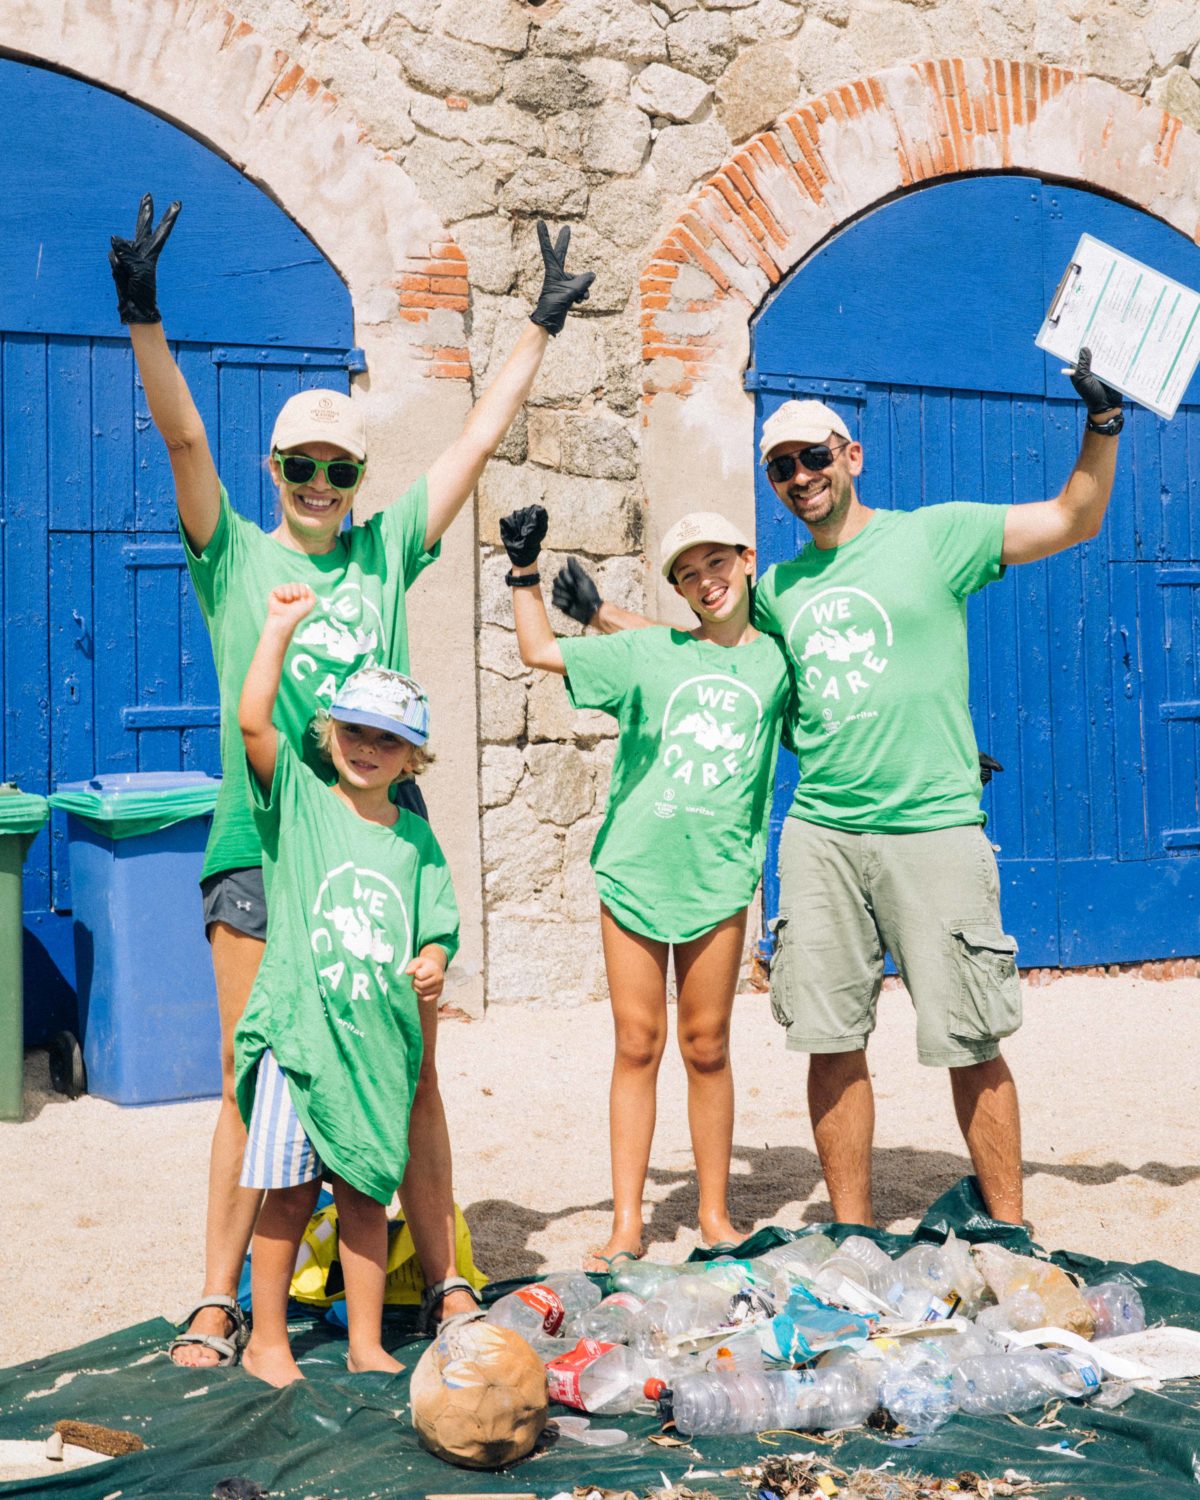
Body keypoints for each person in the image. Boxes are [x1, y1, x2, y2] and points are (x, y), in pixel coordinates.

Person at [109, 196, 594, 1365]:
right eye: (303, 465)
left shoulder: (383, 550)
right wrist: (142, 319)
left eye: (339, 467)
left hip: (382, 837)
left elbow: (474, 445)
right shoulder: (236, 555)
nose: (320, 482)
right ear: (276, 469)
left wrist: (536, 330)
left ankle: (445, 1287)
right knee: (250, 1080)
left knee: (411, 1073)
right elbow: (183, 444)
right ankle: (219, 1303)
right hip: (265, 834)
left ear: (358, 476)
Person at [748, 351, 1122, 1228]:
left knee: (969, 1036)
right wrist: (594, 613)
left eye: (813, 457)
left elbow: (1076, 517)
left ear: (852, 456)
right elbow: (703, 649)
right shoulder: (776, 589)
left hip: (934, 826)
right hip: (822, 833)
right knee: (829, 1039)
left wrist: (1101, 427)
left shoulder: (934, 535)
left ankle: (1011, 1228)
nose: (800, 476)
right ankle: (851, 1232)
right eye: (782, 467)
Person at [502, 504, 791, 1268]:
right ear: (677, 587)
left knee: (707, 1045)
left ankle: (716, 1215)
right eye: (688, 573)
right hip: (634, 869)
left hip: (719, 875)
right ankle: (628, 1222)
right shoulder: (649, 653)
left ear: (747, 557)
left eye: (717, 562)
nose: (706, 580)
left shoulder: (778, 661)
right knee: (637, 1042)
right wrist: (524, 571)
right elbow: (537, 650)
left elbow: (843, 713)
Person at [236, 583, 459, 1386]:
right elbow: (255, 721)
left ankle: (367, 1343)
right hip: (300, 1039)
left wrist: (433, 960)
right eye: (355, 732)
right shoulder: (298, 802)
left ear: (412, 758)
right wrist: (278, 627)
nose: (369, 748)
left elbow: (436, 923)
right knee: (289, 1195)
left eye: (389, 740)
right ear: (330, 735)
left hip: (373, 1052)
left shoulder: (417, 843)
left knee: (366, 1192)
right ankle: (267, 1340)